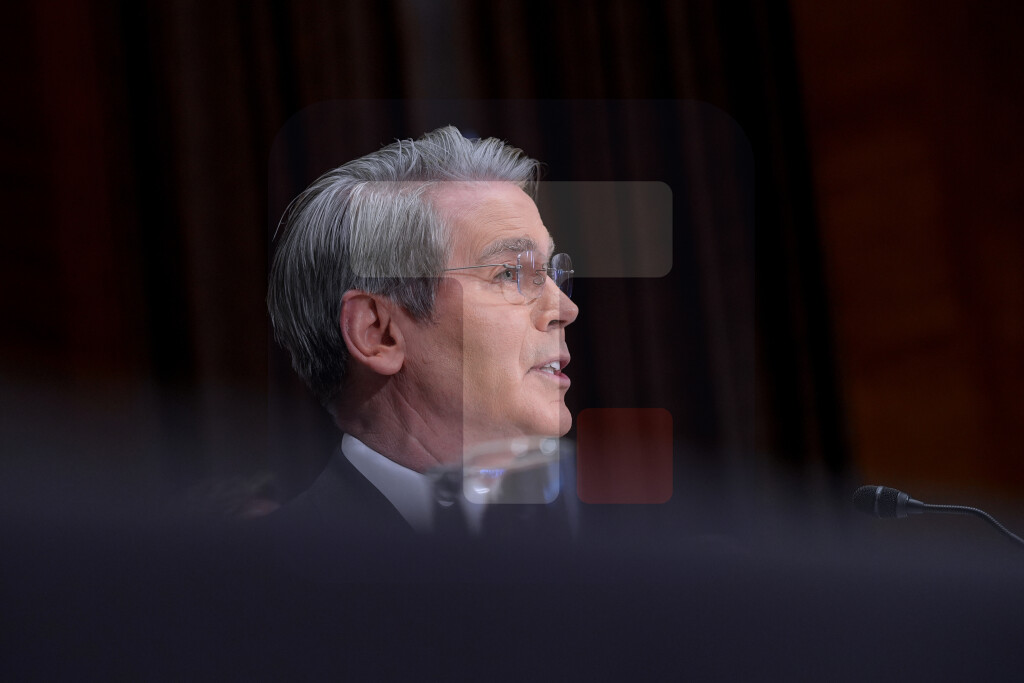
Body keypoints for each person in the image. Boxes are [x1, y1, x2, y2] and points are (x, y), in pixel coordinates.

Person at [265, 126, 578, 540]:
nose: (565, 310)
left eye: (551, 272)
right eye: (508, 273)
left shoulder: (603, 545)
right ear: (378, 333)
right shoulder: (270, 571)